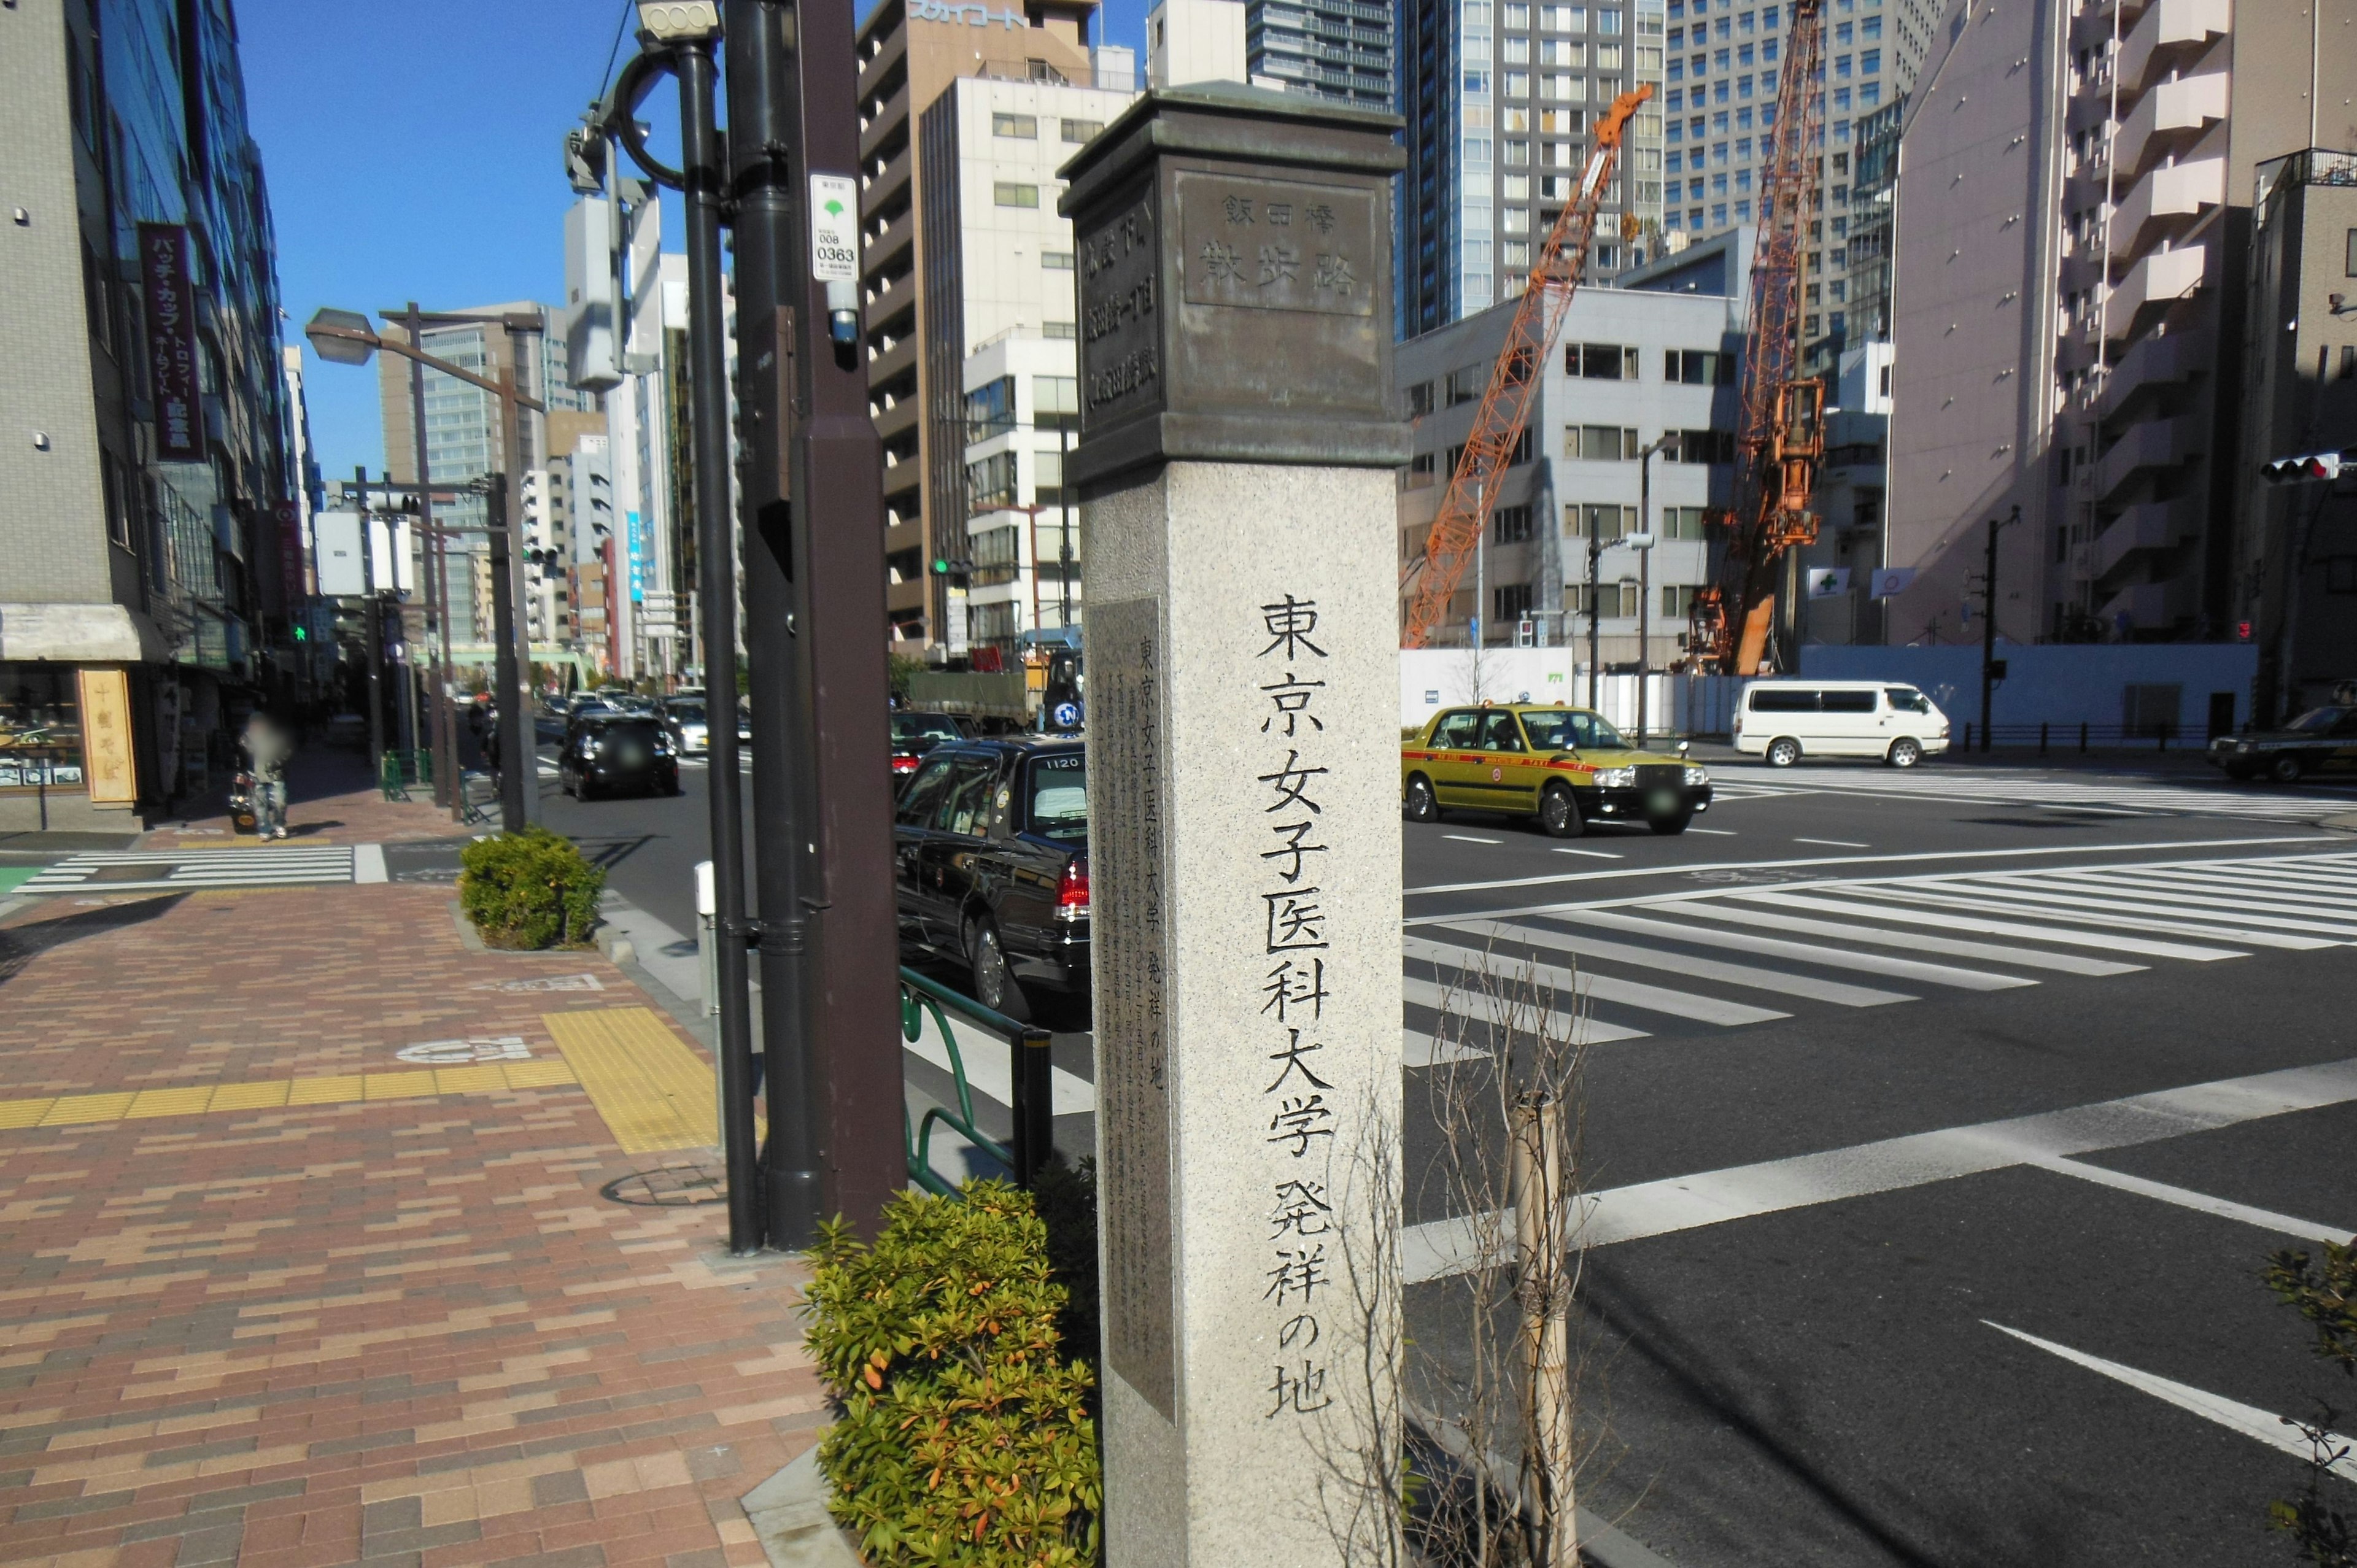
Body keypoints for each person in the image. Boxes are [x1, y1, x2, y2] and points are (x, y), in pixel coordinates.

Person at [242, 712, 293, 840]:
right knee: (259, 805)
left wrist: (277, 762)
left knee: (281, 801)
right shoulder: (246, 739)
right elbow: (241, 757)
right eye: (254, 724)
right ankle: (264, 829)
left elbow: (287, 751)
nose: (257, 726)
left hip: (275, 774)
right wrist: (240, 773)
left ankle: (279, 824)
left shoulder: (277, 736)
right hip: (255, 775)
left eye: (260, 723)